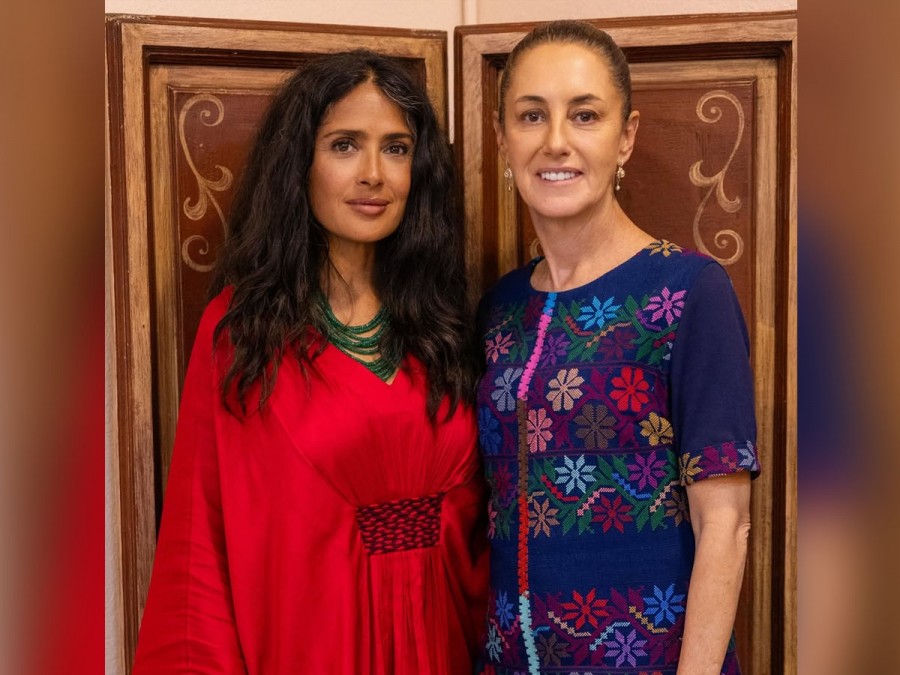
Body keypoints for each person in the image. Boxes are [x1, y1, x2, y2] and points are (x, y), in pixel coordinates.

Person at [132, 50, 489, 674]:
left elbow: (484, 530)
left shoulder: (445, 322)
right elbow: (200, 540)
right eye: (344, 145)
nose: (373, 174)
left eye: (396, 149)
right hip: (313, 643)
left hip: (444, 640)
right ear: (299, 162)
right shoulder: (244, 332)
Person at [476, 21, 759, 675]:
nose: (556, 141)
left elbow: (726, 523)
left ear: (625, 135)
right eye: (531, 115)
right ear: (502, 137)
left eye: (585, 115)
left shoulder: (688, 290)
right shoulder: (501, 307)